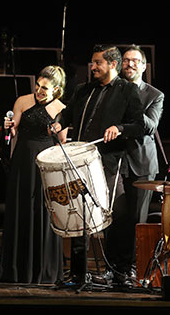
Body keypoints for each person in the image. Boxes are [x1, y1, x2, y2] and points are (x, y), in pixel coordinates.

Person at [52, 45, 144, 286]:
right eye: (92, 62)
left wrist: (120, 128)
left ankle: (120, 273)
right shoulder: (83, 90)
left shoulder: (128, 91)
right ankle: (78, 274)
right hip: (80, 163)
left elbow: (139, 126)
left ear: (112, 64)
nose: (92, 67)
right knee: (77, 217)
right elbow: (67, 114)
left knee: (118, 217)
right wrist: (58, 124)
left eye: (97, 63)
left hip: (110, 163)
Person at [0, 65, 68, 285]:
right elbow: (15, 128)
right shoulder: (22, 101)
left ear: (56, 89)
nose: (39, 90)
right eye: (37, 85)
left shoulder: (60, 107)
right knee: (21, 209)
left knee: (43, 212)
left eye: (45, 88)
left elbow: (63, 140)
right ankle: (17, 270)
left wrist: (56, 130)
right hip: (22, 162)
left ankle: (43, 270)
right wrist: (10, 127)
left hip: (46, 163)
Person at [120, 45, 164, 275]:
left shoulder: (154, 95)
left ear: (144, 66)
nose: (129, 64)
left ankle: (134, 269)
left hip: (142, 163)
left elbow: (149, 126)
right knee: (116, 217)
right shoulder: (114, 90)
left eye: (135, 61)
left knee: (137, 219)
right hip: (117, 162)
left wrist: (132, 101)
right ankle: (116, 268)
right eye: (126, 60)